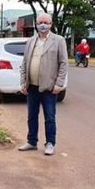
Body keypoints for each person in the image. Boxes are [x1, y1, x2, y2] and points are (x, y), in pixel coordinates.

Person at [18, 13, 68, 156]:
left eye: (46, 22)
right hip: (31, 86)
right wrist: (23, 82)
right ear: (36, 24)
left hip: (49, 86)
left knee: (50, 117)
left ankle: (50, 143)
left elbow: (63, 63)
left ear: (51, 24)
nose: (43, 25)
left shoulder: (58, 40)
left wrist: (59, 83)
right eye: (40, 22)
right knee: (31, 116)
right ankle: (32, 141)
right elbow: (25, 63)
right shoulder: (31, 41)